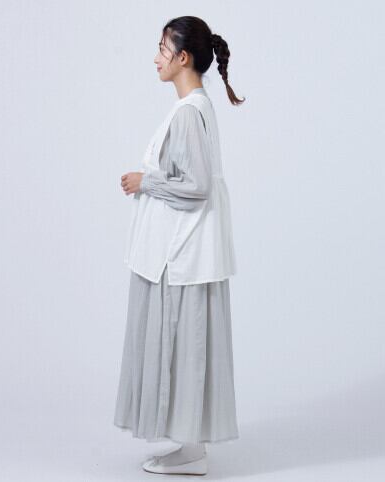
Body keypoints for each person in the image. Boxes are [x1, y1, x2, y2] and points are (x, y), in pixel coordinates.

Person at [114, 15, 245, 476]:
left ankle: (192, 452)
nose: (156, 58)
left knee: (185, 343)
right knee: (191, 346)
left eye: (162, 49)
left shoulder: (189, 112)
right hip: (188, 250)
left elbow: (198, 187)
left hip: (182, 252)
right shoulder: (196, 108)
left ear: (182, 57)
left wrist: (145, 182)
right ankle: (191, 448)